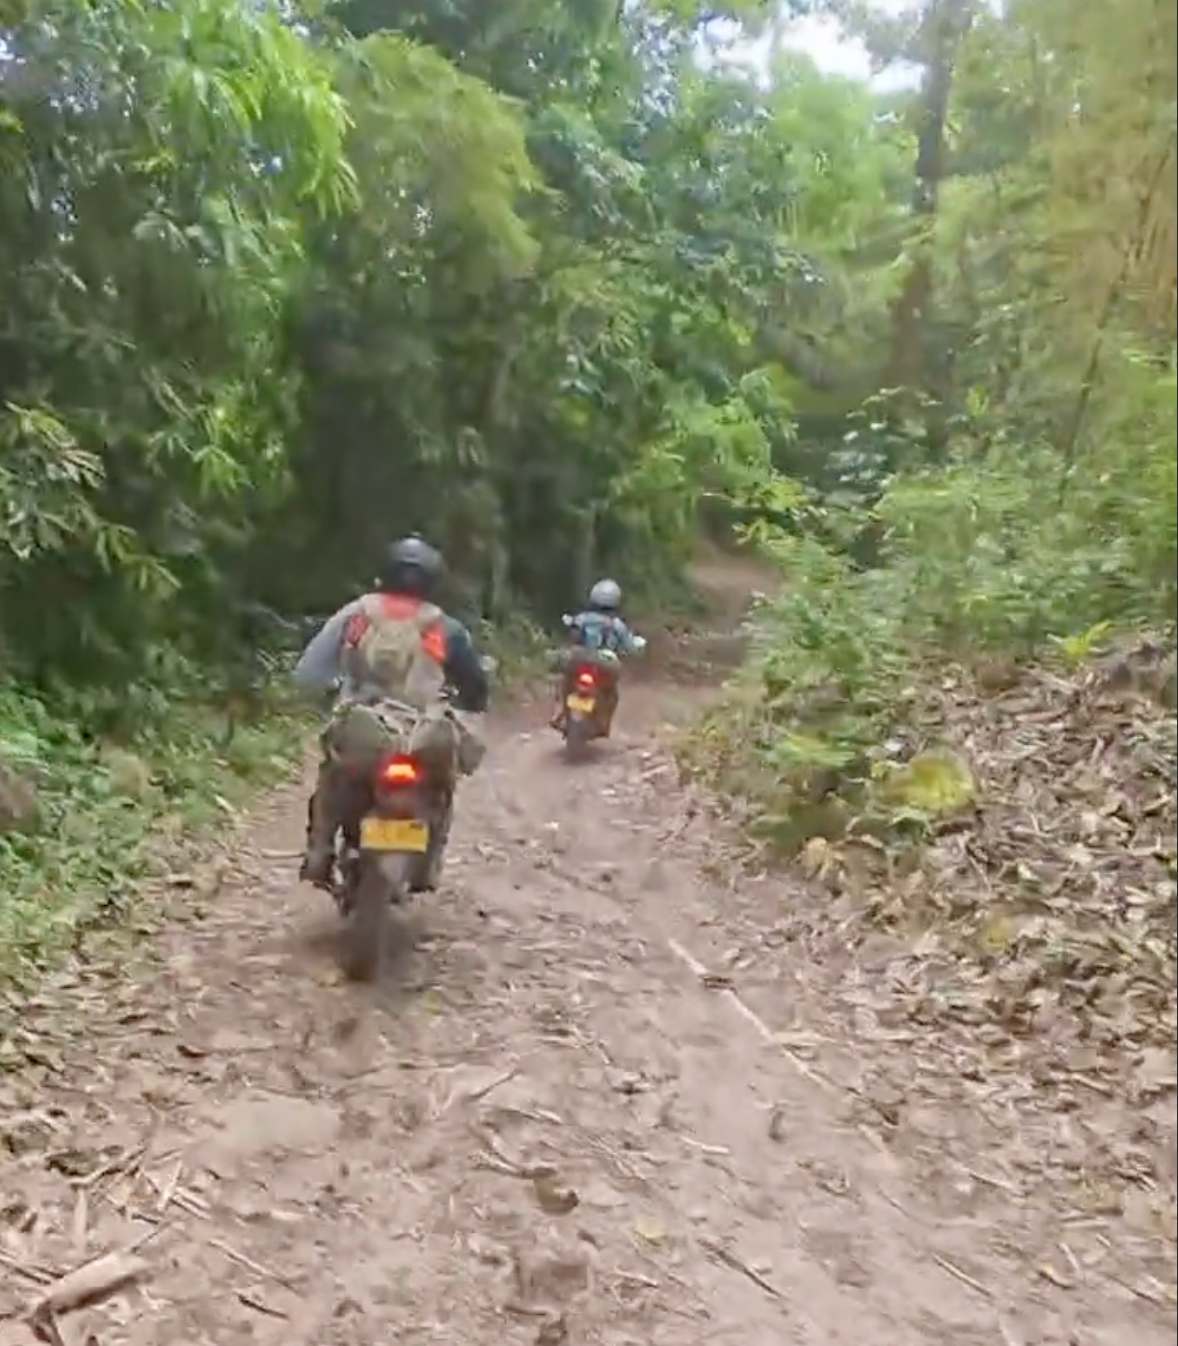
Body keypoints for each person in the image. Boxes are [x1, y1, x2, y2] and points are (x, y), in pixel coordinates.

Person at [292, 535, 489, 888]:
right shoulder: (445, 627)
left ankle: (319, 851)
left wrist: (320, 691)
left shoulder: (357, 614)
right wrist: (471, 704)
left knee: (333, 778)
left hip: (362, 726)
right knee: (443, 787)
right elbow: (474, 682)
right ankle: (430, 861)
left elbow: (308, 673)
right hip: (421, 734)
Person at [551, 578, 645, 731]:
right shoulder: (617, 624)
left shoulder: (581, 618)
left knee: (565, 682)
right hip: (605, 663)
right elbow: (630, 646)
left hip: (579, 657)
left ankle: (558, 712)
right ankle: (603, 721)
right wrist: (637, 645)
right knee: (611, 693)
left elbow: (570, 632)